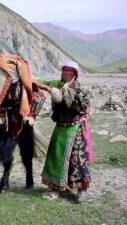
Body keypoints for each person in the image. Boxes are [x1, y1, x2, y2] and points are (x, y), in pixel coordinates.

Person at [37, 60, 93, 203]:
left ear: (75, 74)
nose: (67, 73)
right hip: (60, 127)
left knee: (78, 159)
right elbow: (43, 83)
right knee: (56, 156)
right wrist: (38, 82)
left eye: (70, 71)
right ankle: (56, 187)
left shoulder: (77, 89)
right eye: (65, 70)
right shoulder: (58, 84)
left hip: (74, 128)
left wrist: (57, 93)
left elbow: (78, 104)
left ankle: (82, 189)